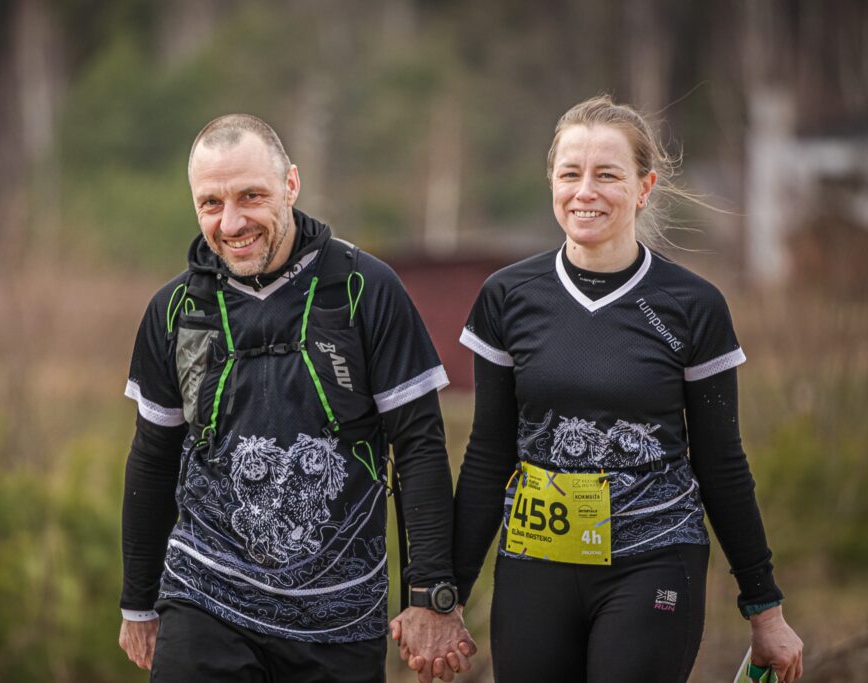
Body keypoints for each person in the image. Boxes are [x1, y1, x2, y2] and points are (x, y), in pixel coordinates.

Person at [452, 95, 804, 682]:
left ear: (644, 188)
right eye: (570, 173)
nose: (585, 191)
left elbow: (720, 462)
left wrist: (764, 606)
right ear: (552, 182)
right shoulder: (507, 297)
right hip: (535, 560)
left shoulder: (693, 306)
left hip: (655, 559)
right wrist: (447, 597)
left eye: (607, 175)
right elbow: (489, 454)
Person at [117, 113, 475, 683]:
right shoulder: (175, 311)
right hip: (204, 597)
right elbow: (152, 459)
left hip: (340, 615)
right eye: (210, 203)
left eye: (250, 196)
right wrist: (138, 602)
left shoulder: (366, 289)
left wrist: (431, 593)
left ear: (291, 185)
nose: (231, 222)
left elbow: (419, 448)